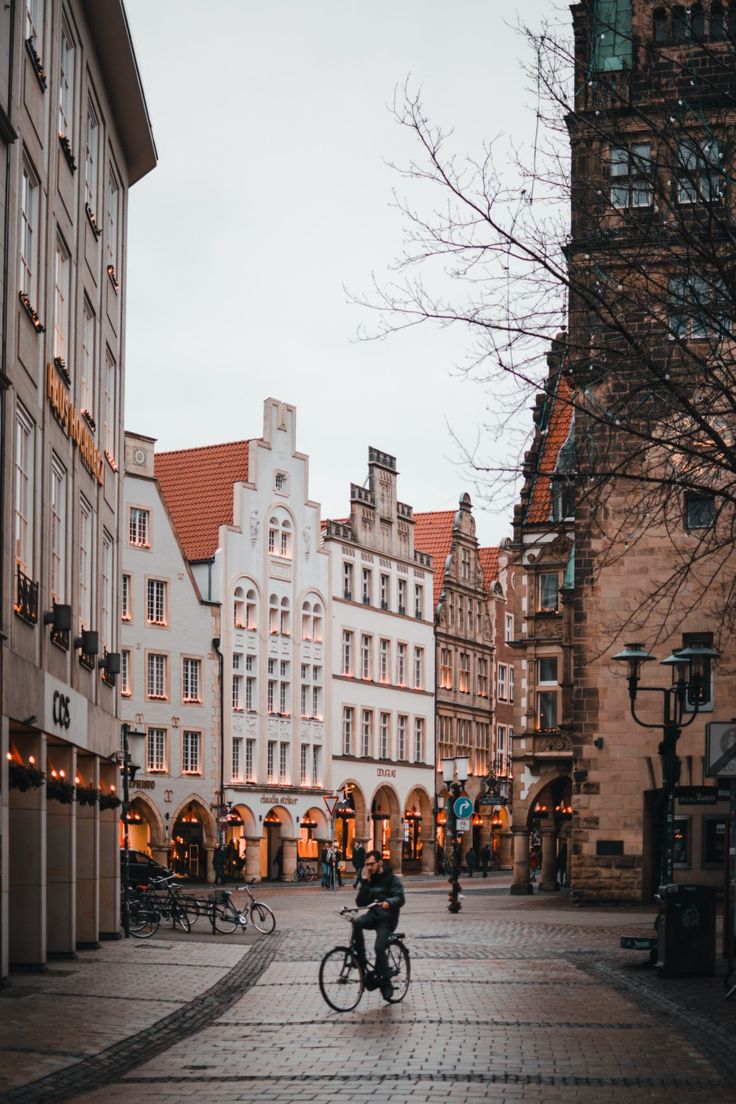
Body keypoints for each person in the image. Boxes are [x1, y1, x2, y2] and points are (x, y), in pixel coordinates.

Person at [353, 849, 405, 1000]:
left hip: (387, 919)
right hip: (373, 916)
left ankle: (387, 983)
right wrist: (365, 883)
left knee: (379, 947)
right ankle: (360, 958)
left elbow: (400, 898)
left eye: (372, 864)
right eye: (367, 865)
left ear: (380, 862)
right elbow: (360, 902)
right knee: (356, 922)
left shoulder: (391, 879)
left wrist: (389, 902)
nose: (369, 867)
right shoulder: (370, 879)